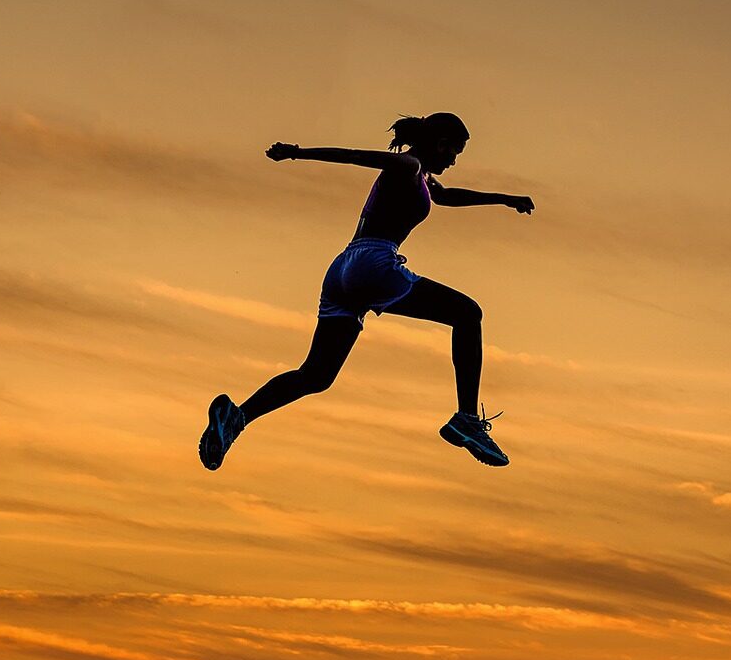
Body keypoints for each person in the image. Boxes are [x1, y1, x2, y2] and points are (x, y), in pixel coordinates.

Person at [198, 112, 534, 471]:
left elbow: (447, 197)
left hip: (342, 270)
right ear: (439, 142)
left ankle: (237, 418)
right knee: (468, 314)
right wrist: (297, 153)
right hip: (373, 263)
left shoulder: (422, 176)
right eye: (455, 151)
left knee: (316, 375)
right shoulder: (408, 164)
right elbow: (355, 155)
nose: (454, 160)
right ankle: (466, 418)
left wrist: (505, 198)